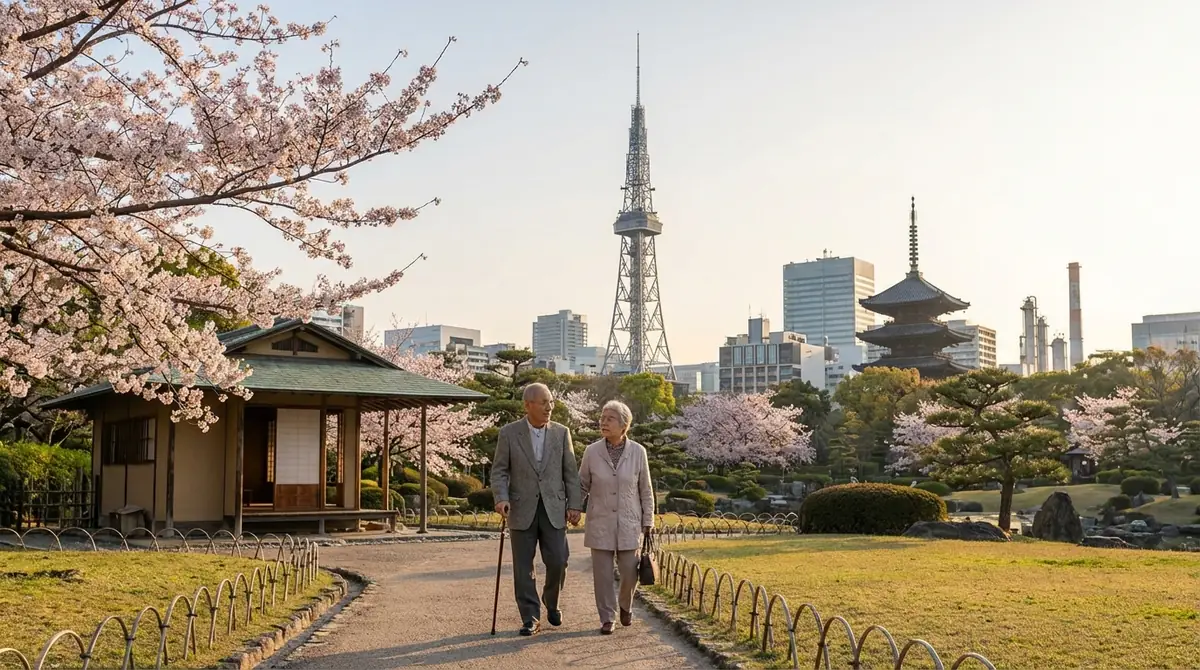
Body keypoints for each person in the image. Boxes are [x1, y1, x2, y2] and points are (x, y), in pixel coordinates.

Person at [490, 382, 583, 636]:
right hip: (521, 508)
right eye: (543, 402)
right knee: (523, 566)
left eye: (551, 402)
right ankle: (530, 617)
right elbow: (499, 471)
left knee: (558, 561)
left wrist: (575, 505)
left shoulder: (562, 433)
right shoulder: (509, 433)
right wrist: (501, 497)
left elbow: (571, 473)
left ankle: (551, 602)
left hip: (554, 508)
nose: (549, 407)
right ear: (527, 405)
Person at [578, 399, 654, 635]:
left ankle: (625, 605)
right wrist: (571, 508)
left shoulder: (638, 452)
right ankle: (607, 617)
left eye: (609, 418)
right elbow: (582, 485)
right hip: (599, 520)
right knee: (601, 576)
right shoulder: (591, 452)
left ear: (624, 425)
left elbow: (646, 489)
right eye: (602, 417)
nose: (603, 422)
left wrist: (648, 521)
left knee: (630, 572)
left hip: (629, 523)